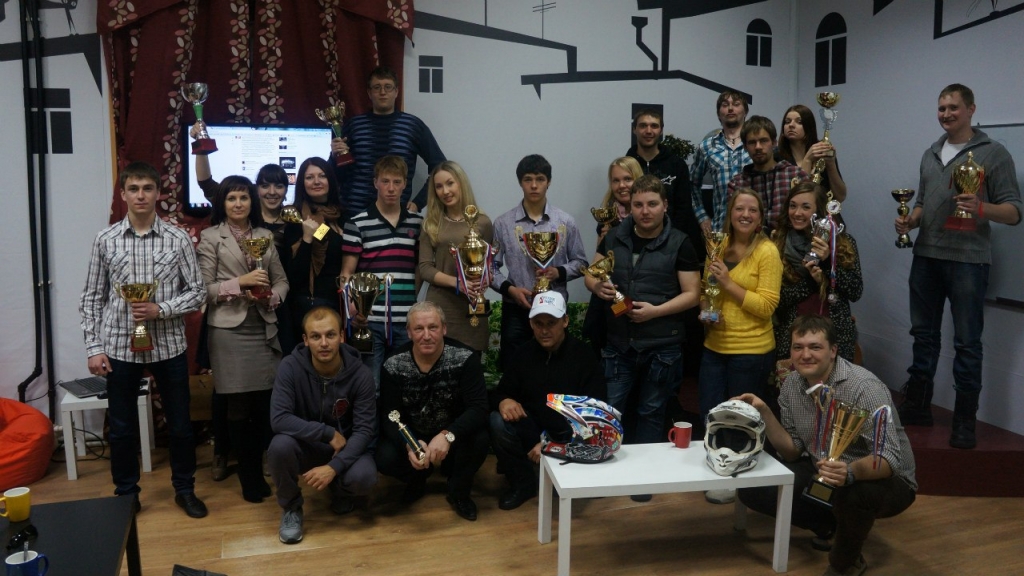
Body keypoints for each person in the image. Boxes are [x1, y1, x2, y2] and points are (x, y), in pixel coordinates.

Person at [894, 83, 1022, 449]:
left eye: (953, 107)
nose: (946, 114)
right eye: (941, 108)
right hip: (926, 256)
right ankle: (919, 405)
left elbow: (1014, 212)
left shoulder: (994, 153)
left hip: (968, 260)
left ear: (970, 109)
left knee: (967, 342)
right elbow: (922, 203)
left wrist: (980, 208)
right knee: (923, 336)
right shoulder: (930, 153)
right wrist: (910, 221)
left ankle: (965, 420)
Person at [737, 315, 917, 576]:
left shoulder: (864, 387)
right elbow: (792, 451)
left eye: (815, 347)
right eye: (798, 347)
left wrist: (850, 472)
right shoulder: (791, 385)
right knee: (754, 488)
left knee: (853, 495)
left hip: (884, 479)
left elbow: (888, 458)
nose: (805, 355)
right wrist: (764, 411)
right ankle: (831, 526)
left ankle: (844, 564)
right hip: (825, 472)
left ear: (833, 350)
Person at [79, 162, 208, 518]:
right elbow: (91, 297)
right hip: (120, 347)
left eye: (147, 188)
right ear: (123, 194)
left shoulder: (177, 239)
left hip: (168, 346)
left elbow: (197, 292)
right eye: (133, 189)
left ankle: (185, 489)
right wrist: (94, 348)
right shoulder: (105, 240)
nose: (140, 195)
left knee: (180, 425)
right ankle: (126, 494)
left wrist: (160, 309)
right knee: (121, 429)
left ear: (158, 193)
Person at [586, 175, 702, 502]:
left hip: (662, 345)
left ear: (665, 206)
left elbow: (693, 294)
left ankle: (643, 480)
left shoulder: (681, 242)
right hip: (618, 342)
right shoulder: (614, 236)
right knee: (609, 410)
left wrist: (656, 311)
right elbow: (592, 275)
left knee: (651, 413)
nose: (645, 211)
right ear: (630, 206)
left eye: (652, 204)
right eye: (638, 204)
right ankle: (601, 476)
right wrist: (598, 286)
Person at [197, 176, 289, 503]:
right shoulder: (211, 237)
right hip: (228, 332)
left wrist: (271, 297)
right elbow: (204, 290)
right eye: (232, 198)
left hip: (264, 328)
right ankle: (249, 477)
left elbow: (282, 282)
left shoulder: (265, 236)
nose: (238, 204)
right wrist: (242, 283)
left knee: (264, 404)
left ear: (252, 201)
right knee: (237, 406)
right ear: (223, 203)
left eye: (244, 197)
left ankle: (261, 466)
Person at [698, 188, 781, 504]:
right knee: (711, 415)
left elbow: (767, 306)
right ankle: (712, 471)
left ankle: (737, 481)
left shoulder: (767, 251)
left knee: (739, 421)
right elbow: (706, 291)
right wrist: (706, 313)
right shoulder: (717, 247)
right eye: (739, 209)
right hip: (714, 347)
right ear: (730, 214)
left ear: (760, 218)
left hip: (751, 351)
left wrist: (728, 283)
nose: (745, 215)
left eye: (752, 210)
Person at [269, 307, 377, 544]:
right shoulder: (290, 366)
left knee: (365, 477)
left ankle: (340, 490)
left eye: (330, 335)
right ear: (305, 340)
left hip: (344, 448)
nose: (324, 343)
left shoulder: (361, 374)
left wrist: (334, 467)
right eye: (316, 336)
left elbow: (364, 430)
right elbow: (279, 418)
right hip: (307, 445)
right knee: (279, 446)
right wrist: (327, 433)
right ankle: (291, 507)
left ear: (342, 336)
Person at [489, 291, 606, 510]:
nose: (544, 330)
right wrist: (503, 401)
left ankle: (568, 475)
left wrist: (552, 442)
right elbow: (500, 392)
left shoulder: (584, 356)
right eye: (538, 323)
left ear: (565, 321)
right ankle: (523, 484)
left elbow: (594, 412)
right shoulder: (522, 354)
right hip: (534, 427)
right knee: (497, 420)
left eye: (551, 323)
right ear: (531, 324)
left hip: (570, 433)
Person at [376, 302, 490, 521]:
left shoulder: (466, 358)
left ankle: (459, 491)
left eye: (433, 327)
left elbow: (479, 408)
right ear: (409, 332)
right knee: (384, 456)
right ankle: (417, 478)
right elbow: (390, 415)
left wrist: (448, 435)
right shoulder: (392, 364)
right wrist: (410, 443)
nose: (426, 336)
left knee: (480, 438)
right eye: (419, 329)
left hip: (452, 435)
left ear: (444, 329)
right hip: (415, 433)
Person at [491, 154, 588, 371]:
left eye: (540, 179)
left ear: (549, 182)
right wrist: (510, 290)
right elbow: (491, 268)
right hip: (517, 308)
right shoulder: (503, 223)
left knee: (556, 368)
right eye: (528, 179)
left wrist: (558, 272)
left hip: (554, 308)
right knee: (514, 368)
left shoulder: (565, 222)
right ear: (520, 182)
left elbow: (581, 262)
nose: (534, 185)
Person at [341, 155, 423, 385]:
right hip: (370, 319)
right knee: (370, 385)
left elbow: (420, 267)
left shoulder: (417, 223)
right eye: (385, 181)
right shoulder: (357, 223)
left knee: (403, 384)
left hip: (406, 318)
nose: (391, 188)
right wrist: (353, 307)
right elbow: (347, 272)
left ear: (405, 184)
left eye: (397, 182)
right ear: (375, 182)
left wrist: (413, 300)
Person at [331, 65, 446, 217]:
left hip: (396, 217)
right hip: (354, 215)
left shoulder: (413, 126)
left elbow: (440, 167)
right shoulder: (353, 126)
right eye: (377, 87)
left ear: (396, 91)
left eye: (388, 87)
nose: (383, 92)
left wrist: (418, 202)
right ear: (369, 93)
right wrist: (334, 156)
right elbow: (336, 174)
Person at [772, 182, 862, 364]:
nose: (797, 213)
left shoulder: (842, 243)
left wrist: (829, 262)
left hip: (835, 339)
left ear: (819, 211)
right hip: (793, 341)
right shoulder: (777, 244)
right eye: (793, 206)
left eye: (806, 207)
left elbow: (855, 291)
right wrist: (813, 281)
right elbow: (777, 301)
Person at [418, 161, 494, 351]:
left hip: (472, 305)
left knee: (472, 362)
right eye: (439, 186)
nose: (445, 191)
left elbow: (489, 263)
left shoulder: (483, 222)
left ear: (461, 183)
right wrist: (458, 283)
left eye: (450, 183)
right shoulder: (431, 224)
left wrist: (487, 278)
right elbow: (425, 268)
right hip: (441, 305)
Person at [625, 109, 704, 260]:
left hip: (670, 243)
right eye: (643, 125)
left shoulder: (677, 165)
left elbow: (684, 207)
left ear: (661, 130)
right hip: (634, 241)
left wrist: (671, 238)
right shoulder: (626, 165)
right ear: (634, 129)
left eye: (654, 126)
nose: (649, 131)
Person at [583, 157, 644, 352]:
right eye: (616, 180)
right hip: (611, 298)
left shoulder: (650, 218)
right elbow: (598, 266)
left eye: (627, 179)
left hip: (641, 298)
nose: (621, 185)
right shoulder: (606, 218)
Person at [290, 156, 345, 343]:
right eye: (309, 177)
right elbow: (294, 275)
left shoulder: (342, 215)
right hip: (310, 305)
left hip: (341, 303)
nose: (316, 181)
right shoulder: (296, 218)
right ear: (302, 183)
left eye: (322, 175)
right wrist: (307, 239)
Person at [727, 115, 808, 235]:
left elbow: (808, 216)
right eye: (752, 142)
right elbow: (733, 224)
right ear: (745, 147)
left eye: (763, 141)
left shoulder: (796, 175)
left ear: (774, 143)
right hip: (752, 244)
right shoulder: (737, 184)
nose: (758, 147)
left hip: (789, 243)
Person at [690, 90, 751, 234]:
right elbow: (692, 185)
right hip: (721, 230)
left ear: (745, 112)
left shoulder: (757, 144)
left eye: (736, 104)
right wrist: (702, 217)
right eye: (725, 105)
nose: (730, 108)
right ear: (718, 113)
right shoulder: (707, 147)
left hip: (754, 230)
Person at [778, 105, 848, 202]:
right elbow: (795, 196)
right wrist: (807, 160)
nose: (791, 125)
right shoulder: (777, 157)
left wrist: (831, 164)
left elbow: (841, 196)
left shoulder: (821, 153)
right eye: (787, 121)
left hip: (822, 210)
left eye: (799, 122)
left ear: (809, 127)